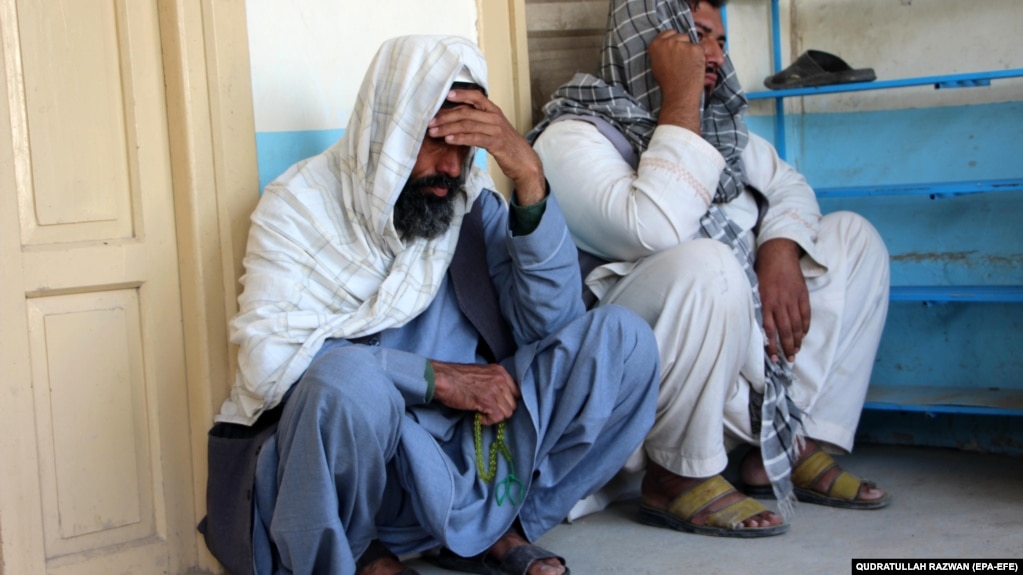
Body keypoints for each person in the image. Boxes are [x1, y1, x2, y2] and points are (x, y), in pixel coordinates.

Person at [201, 35, 660, 575]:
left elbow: (553, 329)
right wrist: (436, 378)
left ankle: (501, 528)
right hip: (364, 457)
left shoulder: (470, 203)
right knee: (344, 385)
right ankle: (360, 552)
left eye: (466, 147)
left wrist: (531, 181)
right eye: (435, 140)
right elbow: (267, 364)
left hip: (472, 449)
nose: (451, 166)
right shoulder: (299, 208)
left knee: (624, 343)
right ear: (389, 130)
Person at [528, 0, 891, 538]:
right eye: (695, 37)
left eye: (720, 41)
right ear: (647, 42)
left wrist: (780, 250)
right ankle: (676, 474)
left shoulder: (724, 127)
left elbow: (790, 187)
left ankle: (786, 445)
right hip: (657, 383)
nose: (714, 55)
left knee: (853, 238)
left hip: (743, 349)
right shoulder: (574, 138)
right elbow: (656, 227)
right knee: (707, 264)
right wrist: (680, 100)